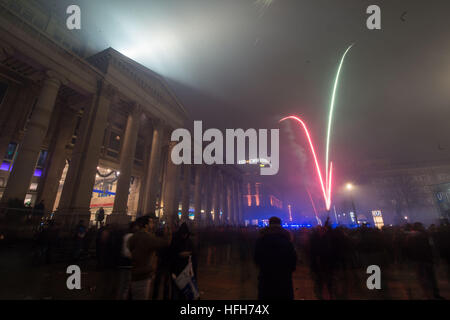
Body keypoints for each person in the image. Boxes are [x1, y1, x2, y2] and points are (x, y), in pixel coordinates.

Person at [128, 215, 172, 300]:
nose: (153, 224)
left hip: (134, 272)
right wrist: (168, 232)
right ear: (146, 225)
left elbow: (129, 246)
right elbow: (165, 242)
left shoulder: (134, 236)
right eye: (151, 222)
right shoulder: (146, 237)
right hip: (143, 274)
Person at [254, 216, 297, 300]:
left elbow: (257, 257)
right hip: (284, 277)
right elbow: (293, 258)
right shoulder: (287, 239)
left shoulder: (261, 239)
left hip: (266, 276)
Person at [169, 222, 198, 300]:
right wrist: (179, 255)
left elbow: (194, 253)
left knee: (185, 291)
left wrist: (189, 253)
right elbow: (171, 253)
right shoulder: (175, 240)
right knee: (176, 290)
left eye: (185, 234)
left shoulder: (189, 241)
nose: (184, 236)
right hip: (177, 269)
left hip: (186, 270)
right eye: (183, 234)